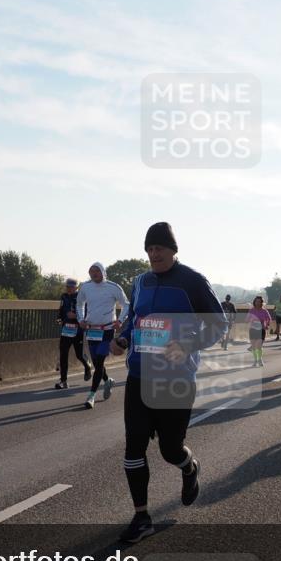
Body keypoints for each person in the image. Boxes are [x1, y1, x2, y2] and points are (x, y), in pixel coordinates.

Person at [109, 222, 225, 543]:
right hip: (139, 376)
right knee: (133, 446)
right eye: (149, 249)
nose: (154, 253)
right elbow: (134, 318)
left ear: (173, 250)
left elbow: (218, 324)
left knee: (170, 449)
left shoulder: (192, 281)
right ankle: (141, 516)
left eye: (159, 248)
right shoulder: (140, 282)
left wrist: (187, 345)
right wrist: (121, 338)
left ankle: (189, 467)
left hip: (176, 380)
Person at [76, 262, 129, 409]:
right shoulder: (86, 287)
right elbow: (79, 303)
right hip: (92, 330)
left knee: (99, 362)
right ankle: (107, 381)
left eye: (96, 271)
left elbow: (126, 304)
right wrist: (81, 319)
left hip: (107, 330)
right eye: (91, 271)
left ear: (102, 272)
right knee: (97, 364)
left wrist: (120, 320)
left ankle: (91, 395)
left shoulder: (113, 287)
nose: (93, 274)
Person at [55, 278, 92, 389]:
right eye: (67, 286)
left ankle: (87, 365)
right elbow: (61, 309)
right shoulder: (64, 296)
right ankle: (63, 381)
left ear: (76, 288)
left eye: (71, 287)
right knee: (63, 354)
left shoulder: (82, 297)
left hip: (78, 330)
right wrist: (59, 318)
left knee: (79, 355)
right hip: (66, 329)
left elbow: (87, 313)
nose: (69, 289)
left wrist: (75, 316)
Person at [246, 296, 271, 368]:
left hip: (261, 330)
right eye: (256, 301)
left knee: (259, 346)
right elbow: (247, 320)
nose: (257, 303)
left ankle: (259, 359)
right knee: (254, 347)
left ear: (261, 303)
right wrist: (251, 319)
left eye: (259, 302)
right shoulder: (251, 310)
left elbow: (269, 319)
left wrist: (267, 325)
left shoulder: (264, 311)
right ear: (254, 302)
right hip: (253, 330)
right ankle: (255, 360)